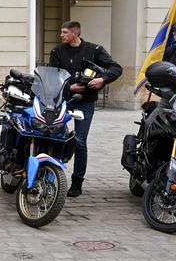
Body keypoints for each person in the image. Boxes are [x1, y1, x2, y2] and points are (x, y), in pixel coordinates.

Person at [48, 20, 122, 198]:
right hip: (63, 101)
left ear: (75, 33)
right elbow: (52, 78)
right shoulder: (57, 52)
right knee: (53, 137)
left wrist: (102, 80)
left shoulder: (94, 50)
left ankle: (77, 182)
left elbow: (116, 68)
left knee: (80, 141)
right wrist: (69, 88)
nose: (61, 35)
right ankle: (49, 177)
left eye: (65, 32)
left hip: (85, 102)